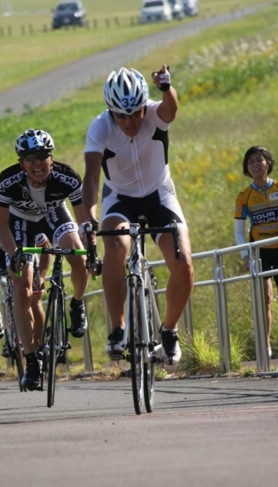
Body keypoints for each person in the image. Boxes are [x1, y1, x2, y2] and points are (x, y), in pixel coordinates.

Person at [82, 65, 194, 365]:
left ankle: (168, 330)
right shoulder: (100, 128)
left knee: (183, 263)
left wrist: (166, 86)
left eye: (135, 113)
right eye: (121, 115)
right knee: (116, 247)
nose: (129, 122)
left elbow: (172, 106)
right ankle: (117, 330)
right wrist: (89, 218)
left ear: (145, 106)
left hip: (160, 196)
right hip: (120, 199)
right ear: (110, 112)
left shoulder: (155, 115)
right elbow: (92, 176)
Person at [0, 128, 91, 391]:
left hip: (54, 214)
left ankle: (77, 304)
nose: (38, 163)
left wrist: (91, 248)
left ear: (52, 157)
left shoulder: (68, 177)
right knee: (21, 287)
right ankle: (31, 360)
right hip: (19, 222)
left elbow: (83, 222)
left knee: (79, 258)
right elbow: (2, 226)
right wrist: (15, 254)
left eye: (43, 156)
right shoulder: (7, 181)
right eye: (30, 158)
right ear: (21, 162)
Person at [234, 146, 278, 358]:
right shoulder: (244, 196)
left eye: (259, 160)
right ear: (247, 168)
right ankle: (264, 346)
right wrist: (245, 256)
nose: (256, 165)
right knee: (264, 298)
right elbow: (238, 230)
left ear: (268, 163)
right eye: (251, 162)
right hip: (260, 251)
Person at [0, 215, 50, 359]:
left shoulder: (30, 222)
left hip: (25, 249)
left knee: (34, 300)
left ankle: (37, 346)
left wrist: (42, 276)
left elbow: (45, 248)